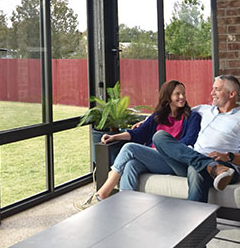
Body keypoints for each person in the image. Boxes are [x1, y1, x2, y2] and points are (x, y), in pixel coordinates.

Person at [79, 80, 201, 208]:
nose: (182, 97)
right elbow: (138, 133)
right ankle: (127, 207)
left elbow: (189, 141)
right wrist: (114, 136)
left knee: (129, 148)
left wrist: (163, 147)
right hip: (155, 159)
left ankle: (104, 191)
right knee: (131, 165)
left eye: (183, 93)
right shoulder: (157, 117)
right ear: (168, 96)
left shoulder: (192, 117)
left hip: (174, 160)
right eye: (177, 94)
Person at [145, 75, 240, 203]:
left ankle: (195, 220)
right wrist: (146, 121)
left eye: (217, 89)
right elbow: (173, 111)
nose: (212, 93)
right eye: (213, 89)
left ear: (231, 94)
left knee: (196, 169)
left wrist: (229, 156)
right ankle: (208, 166)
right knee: (159, 136)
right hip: (190, 159)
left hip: (224, 166)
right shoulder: (203, 110)